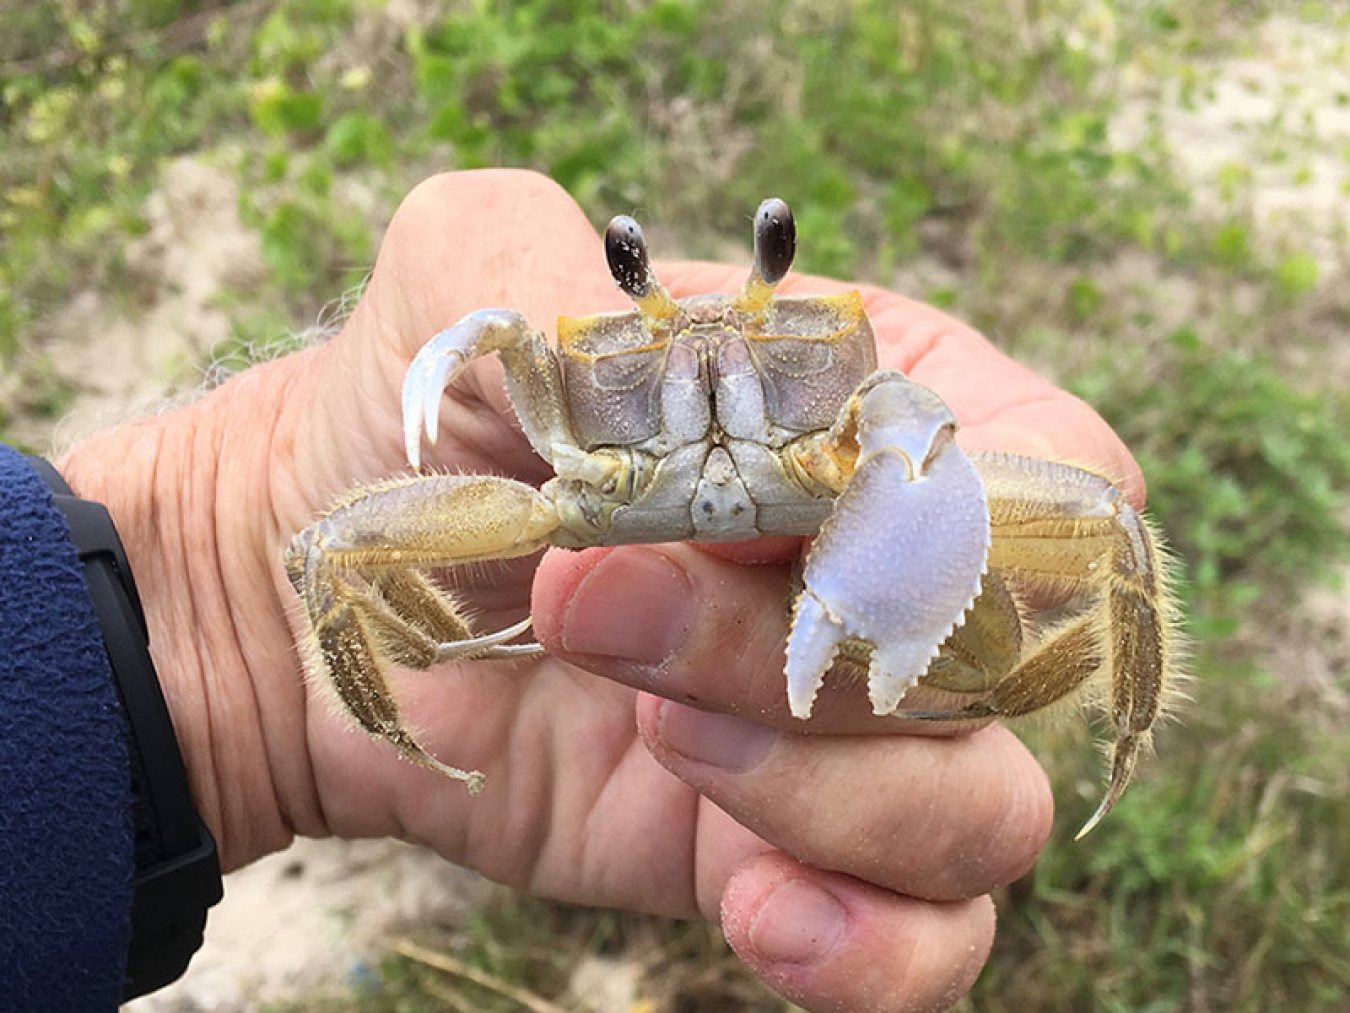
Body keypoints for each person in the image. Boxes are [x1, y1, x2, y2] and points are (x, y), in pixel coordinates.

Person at [2, 169, 1144, 1011]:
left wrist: (965, 636)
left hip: (829, 491)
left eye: (764, 345)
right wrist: (242, 610)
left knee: (1102, 533)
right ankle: (421, 693)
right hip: (588, 493)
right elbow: (314, 549)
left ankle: (1076, 723)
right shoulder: (546, 388)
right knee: (333, 550)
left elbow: (1069, 528)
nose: (717, 385)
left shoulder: (870, 412)